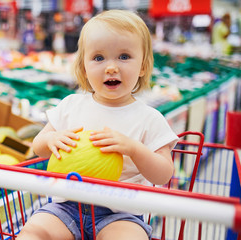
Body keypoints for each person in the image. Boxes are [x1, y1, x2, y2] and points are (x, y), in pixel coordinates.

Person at [17, 10, 178, 240]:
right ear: (83, 68)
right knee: (34, 231)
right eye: (99, 58)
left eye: (124, 56)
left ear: (143, 66)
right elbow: (38, 146)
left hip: (120, 212)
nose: (111, 67)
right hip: (66, 206)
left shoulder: (149, 118)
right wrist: (51, 139)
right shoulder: (71, 105)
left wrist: (133, 148)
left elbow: (163, 174)